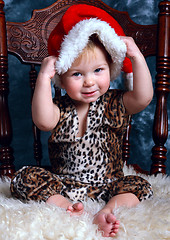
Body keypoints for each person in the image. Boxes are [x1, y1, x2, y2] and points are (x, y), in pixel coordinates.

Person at [10, 4, 153, 238]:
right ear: (62, 77)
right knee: (24, 178)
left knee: (139, 185)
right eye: (77, 74)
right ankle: (67, 207)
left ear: (111, 68)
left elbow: (143, 97)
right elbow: (43, 121)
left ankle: (105, 211)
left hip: (109, 185)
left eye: (98, 70)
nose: (89, 82)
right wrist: (44, 78)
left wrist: (135, 55)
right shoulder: (61, 109)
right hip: (65, 185)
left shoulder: (115, 102)